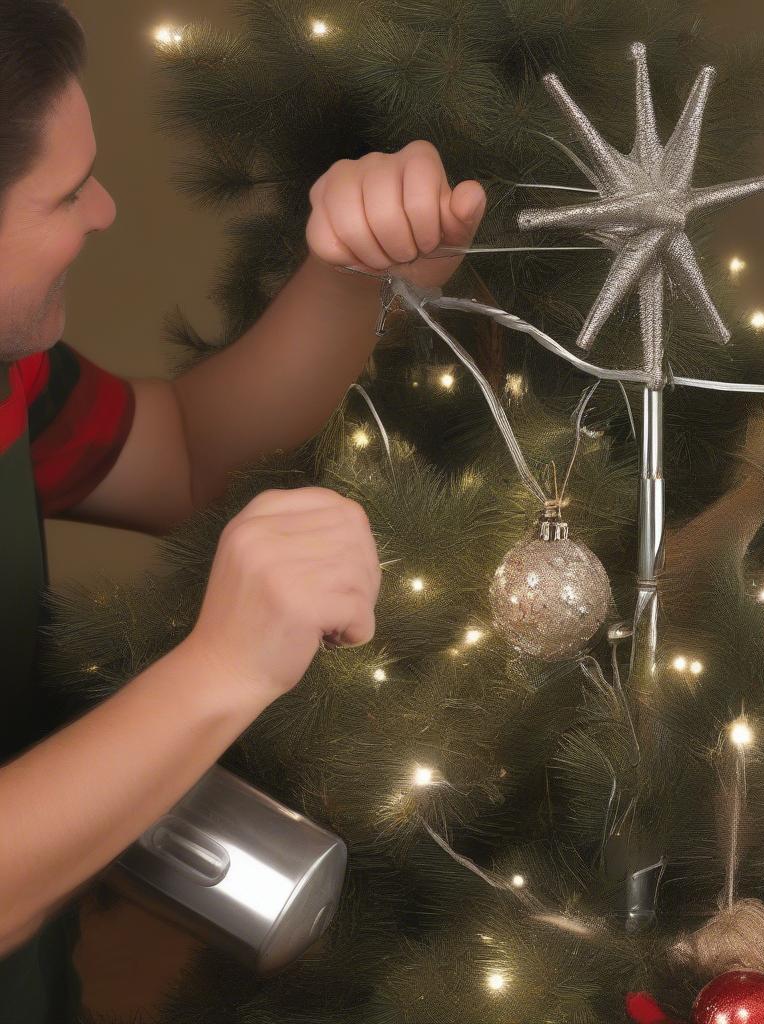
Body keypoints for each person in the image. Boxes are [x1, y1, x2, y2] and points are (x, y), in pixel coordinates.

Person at [0, 2, 487, 1020]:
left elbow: (183, 450)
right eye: (63, 195)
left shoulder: (15, 382)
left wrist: (352, 270)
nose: (103, 214)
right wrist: (222, 670)